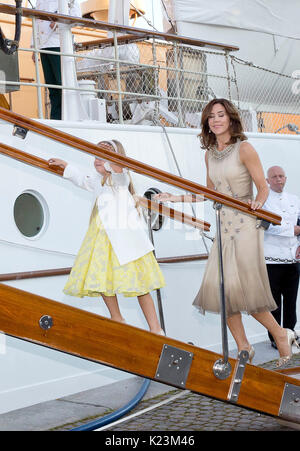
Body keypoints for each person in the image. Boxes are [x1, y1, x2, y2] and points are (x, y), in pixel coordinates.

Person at [155, 98, 299, 366]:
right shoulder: (209, 154)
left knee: (244, 290)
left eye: (220, 115)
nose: (216, 120)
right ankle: (244, 346)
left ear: (231, 119)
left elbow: (262, 186)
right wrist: (174, 197)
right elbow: (209, 193)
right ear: (207, 123)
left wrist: (258, 202)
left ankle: (280, 334)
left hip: (245, 225)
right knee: (224, 292)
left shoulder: (245, 149)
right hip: (224, 226)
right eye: (211, 117)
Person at [48, 139, 165, 335]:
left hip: (124, 238)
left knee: (140, 284)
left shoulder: (120, 180)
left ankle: (156, 328)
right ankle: (117, 317)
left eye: (103, 157)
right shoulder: (98, 180)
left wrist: (110, 158)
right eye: (95, 156)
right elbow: (82, 179)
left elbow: (119, 169)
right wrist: (66, 166)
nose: (97, 160)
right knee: (100, 275)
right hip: (101, 236)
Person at [264, 166, 300, 348]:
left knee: (291, 300)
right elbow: (265, 225)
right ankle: (275, 337)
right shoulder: (263, 201)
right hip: (272, 260)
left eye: (281, 176)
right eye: (274, 177)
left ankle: (291, 333)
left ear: (285, 178)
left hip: (293, 258)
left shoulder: (295, 199)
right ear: (267, 180)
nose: (278, 180)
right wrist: (291, 230)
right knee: (274, 302)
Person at [31, 0, 82, 119]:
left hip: (58, 44)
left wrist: (58, 21)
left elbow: (76, 14)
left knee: (61, 83)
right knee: (52, 86)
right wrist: (34, 47)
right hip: (43, 46)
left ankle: (68, 116)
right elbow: (36, 22)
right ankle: (56, 118)